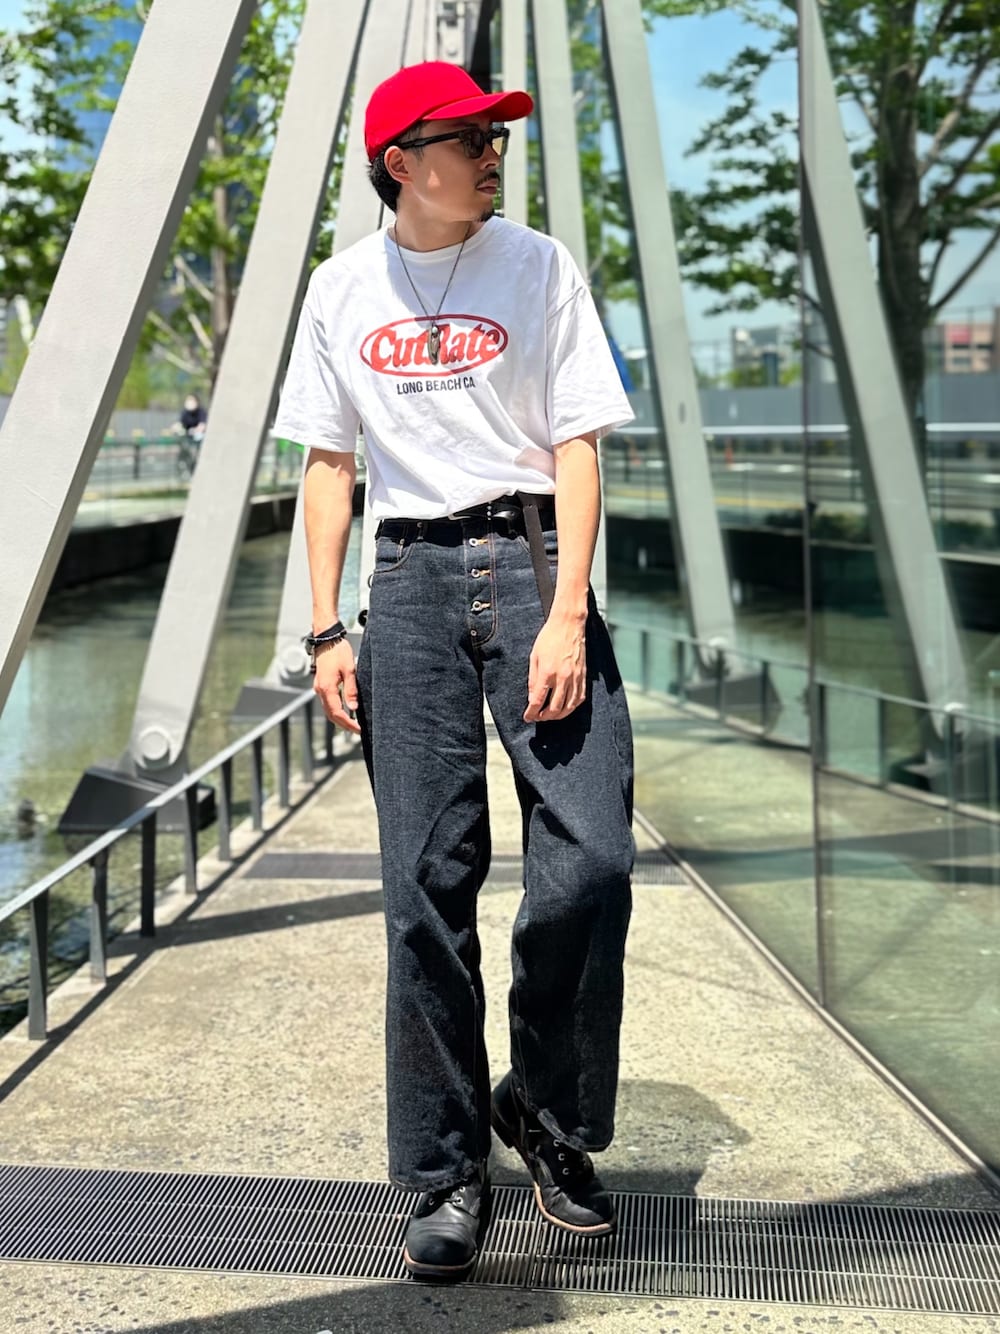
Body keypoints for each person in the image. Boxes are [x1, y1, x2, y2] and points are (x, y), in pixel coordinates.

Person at [273, 60, 635, 1283]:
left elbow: (577, 443)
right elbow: (329, 466)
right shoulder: (341, 288)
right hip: (410, 583)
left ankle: (543, 1106)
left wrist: (568, 611)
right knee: (424, 887)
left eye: (497, 137)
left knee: (592, 857)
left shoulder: (536, 266)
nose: (491, 155)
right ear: (401, 164)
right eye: (468, 139)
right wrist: (326, 630)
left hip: (533, 563)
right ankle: (441, 1167)